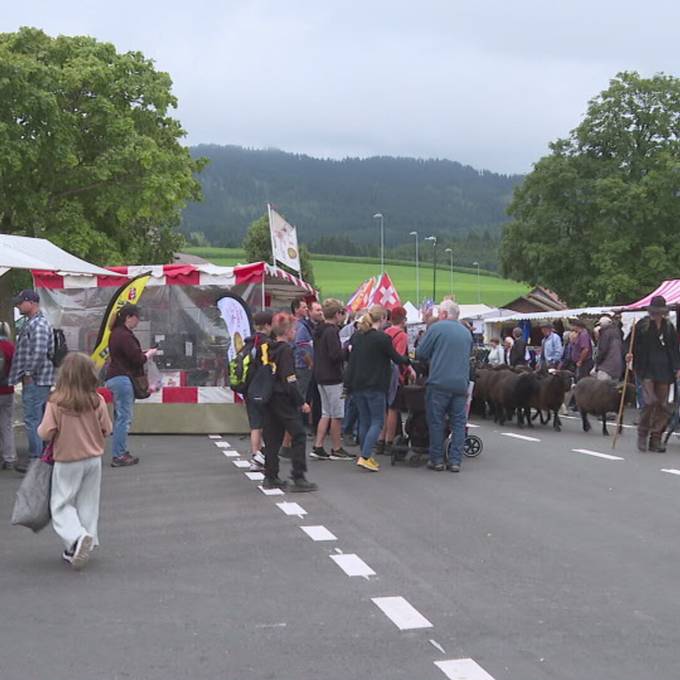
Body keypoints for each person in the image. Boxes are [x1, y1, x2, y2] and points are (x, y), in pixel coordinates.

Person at [37, 353, 112, 569]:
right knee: (88, 502)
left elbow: (46, 432)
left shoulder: (57, 401)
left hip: (68, 459)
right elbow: (107, 429)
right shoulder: (96, 400)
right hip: (93, 460)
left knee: (61, 504)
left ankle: (76, 538)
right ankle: (85, 539)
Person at [344, 305, 410, 472]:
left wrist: (347, 384)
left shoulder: (358, 337)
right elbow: (395, 358)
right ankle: (365, 456)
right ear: (382, 319)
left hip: (357, 384)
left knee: (364, 421)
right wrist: (408, 360)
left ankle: (365, 454)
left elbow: (351, 361)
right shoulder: (382, 338)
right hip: (375, 385)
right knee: (377, 421)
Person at [261, 313, 317, 492]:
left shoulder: (267, 349)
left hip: (269, 396)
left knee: (272, 438)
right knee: (299, 434)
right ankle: (298, 476)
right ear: (286, 332)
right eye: (293, 329)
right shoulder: (285, 350)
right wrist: (301, 402)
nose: (295, 332)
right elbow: (289, 379)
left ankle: (270, 476)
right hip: (283, 398)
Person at [416, 299, 472, 473]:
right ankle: (455, 460)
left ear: (445, 314)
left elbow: (421, 353)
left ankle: (437, 459)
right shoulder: (466, 333)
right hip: (460, 384)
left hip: (439, 382)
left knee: (436, 422)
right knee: (458, 423)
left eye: (439, 312)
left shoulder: (436, 328)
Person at [9, 289, 55, 471]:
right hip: (39, 379)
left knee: (33, 419)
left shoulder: (38, 325)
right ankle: (42, 456)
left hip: (36, 380)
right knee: (38, 418)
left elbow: (39, 352)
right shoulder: (34, 324)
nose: (18, 305)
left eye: (21, 302)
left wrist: (28, 373)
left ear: (31, 302)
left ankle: (37, 458)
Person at [105, 304, 156, 467]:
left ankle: (120, 451)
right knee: (124, 418)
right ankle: (119, 455)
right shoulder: (124, 335)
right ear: (129, 317)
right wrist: (148, 354)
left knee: (120, 417)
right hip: (123, 379)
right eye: (137, 317)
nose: (138, 321)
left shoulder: (115, 334)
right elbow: (137, 359)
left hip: (115, 378)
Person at [628, 296, 680, 453]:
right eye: (654, 312)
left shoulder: (669, 327)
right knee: (650, 401)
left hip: (665, 369)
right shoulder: (641, 325)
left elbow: (673, 348)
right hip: (646, 368)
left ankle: (656, 438)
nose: (657, 315)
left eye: (660, 313)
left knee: (663, 405)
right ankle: (642, 434)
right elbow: (629, 343)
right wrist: (629, 354)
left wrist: (677, 367)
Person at [311, 298, 352, 460]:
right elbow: (335, 355)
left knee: (325, 412)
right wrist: (347, 349)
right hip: (333, 377)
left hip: (320, 375)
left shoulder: (319, 330)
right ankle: (337, 448)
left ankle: (318, 445)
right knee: (337, 414)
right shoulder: (332, 331)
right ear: (337, 314)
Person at [376, 306, 411, 456]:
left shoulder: (385, 332)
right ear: (403, 319)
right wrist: (409, 370)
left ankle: (380, 440)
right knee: (393, 408)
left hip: (382, 372)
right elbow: (399, 357)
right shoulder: (402, 335)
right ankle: (390, 441)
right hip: (395, 375)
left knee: (383, 408)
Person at [244, 311, 273, 472]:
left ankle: (255, 455)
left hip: (248, 388)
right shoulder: (266, 343)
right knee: (265, 424)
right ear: (268, 325)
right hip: (263, 388)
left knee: (255, 424)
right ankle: (261, 457)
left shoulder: (249, 342)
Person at [0, 322, 17, 470]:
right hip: (7, 390)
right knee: (6, 425)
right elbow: (16, 367)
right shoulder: (10, 347)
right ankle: (9, 457)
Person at [594, 316, 623, 381]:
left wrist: (597, 363)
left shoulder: (605, 334)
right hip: (617, 367)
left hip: (606, 367)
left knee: (602, 389)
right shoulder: (617, 332)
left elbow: (602, 350)